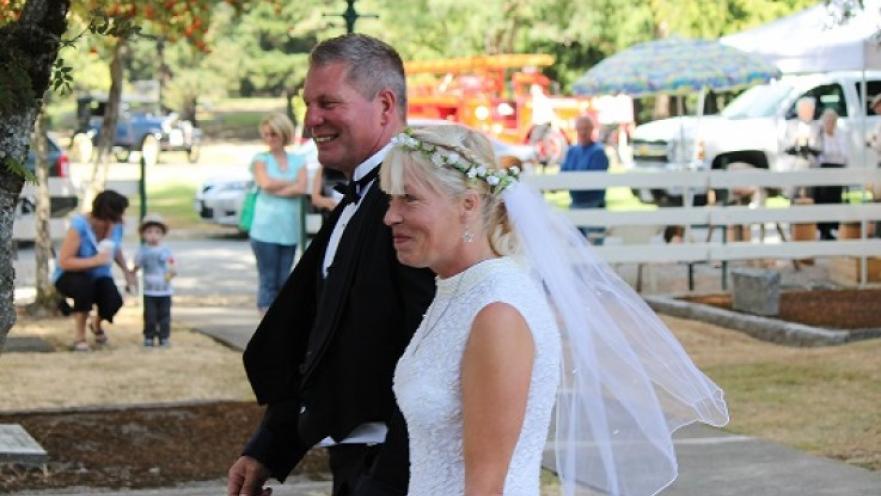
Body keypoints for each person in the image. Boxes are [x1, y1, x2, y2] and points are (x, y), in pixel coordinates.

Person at [381, 124, 729, 495]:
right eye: (391, 200)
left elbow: (486, 485)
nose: (390, 216)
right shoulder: (458, 290)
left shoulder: (497, 312)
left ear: (467, 205)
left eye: (409, 199)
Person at [227, 34, 435, 496]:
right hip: (353, 462)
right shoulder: (357, 197)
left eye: (328, 103)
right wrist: (267, 448)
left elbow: (431, 357)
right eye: (308, 104)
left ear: (385, 106)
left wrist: (382, 483)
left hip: (394, 468)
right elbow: (317, 332)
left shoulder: (416, 203)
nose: (311, 120)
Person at [54, 190, 136, 352]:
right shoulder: (79, 226)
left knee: (113, 301)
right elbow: (64, 261)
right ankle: (79, 337)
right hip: (71, 275)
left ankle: (96, 324)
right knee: (84, 289)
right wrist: (94, 261)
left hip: (99, 275)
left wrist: (127, 272)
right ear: (106, 213)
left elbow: (115, 248)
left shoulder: (116, 225)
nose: (121, 217)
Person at [248, 112, 309, 315]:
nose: (269, 139)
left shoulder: (298, 160)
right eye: (265, 134)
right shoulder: (260, 159)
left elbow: (302, 188)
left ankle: (280, 319)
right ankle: (265, 317)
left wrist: (278, 187)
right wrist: (290, 183)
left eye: (273, 134)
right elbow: (265, 184)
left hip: (288, 229)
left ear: (283, 133)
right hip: (264, 229)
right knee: (268, 279)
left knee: (285, 279)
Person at [561, 114, 608, 244]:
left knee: (596, 247)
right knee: (574, 246)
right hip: (575, 204)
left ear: (592, 130)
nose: (583, 132)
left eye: (586, 128)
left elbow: (592, 179)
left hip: (593, 205)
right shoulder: (572, 151)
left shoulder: (598, 152)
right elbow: (562, 174)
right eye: (580, 128)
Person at [133, 213, 176, 347]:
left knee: (164, 316)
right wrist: (132, 275)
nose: (153, 235)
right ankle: (149, 336)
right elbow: (137, 265)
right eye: (149, 232)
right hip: (149, 290)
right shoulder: (143, 250)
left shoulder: (166, 250)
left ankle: (164, 337)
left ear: (162, 234)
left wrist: (170, 274)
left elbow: (172, 266)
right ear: (143, 234)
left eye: (157, 232)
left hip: (164, 290)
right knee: (150, 316)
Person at [815, 108, 848, 240]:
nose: (829, 123)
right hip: (823, 170)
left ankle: (833, 228)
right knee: (822, 199)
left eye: (832, 120)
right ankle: (823, 229)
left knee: (835, 198)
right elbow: (819, 154)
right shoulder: (819, 135)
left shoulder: (840, 134)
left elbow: (844, 155)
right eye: (827, 120)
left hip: (837, 169)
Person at [781, 96, 822, 198]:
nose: (808, 113)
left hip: (811, 162)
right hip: (794, 163)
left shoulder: (817, 126)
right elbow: (784, 145)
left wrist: (810, 142)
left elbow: (820, 147)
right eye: (804, 110)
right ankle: (793, 196)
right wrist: (795, 141)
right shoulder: (790, 125)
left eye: (809, 110)